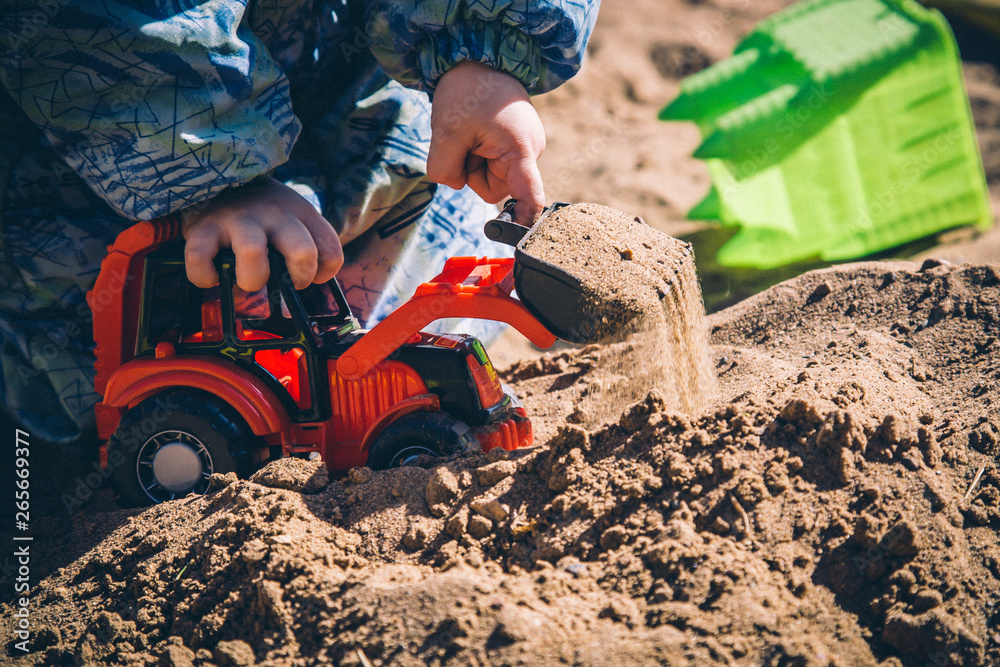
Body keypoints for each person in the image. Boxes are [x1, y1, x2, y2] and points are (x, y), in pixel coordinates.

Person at [0, 1, 599, 449]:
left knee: (435, 202)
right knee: (73, 360)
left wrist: (480, 54)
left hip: (332, 84)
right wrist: (211, 175)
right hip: (113, 149)